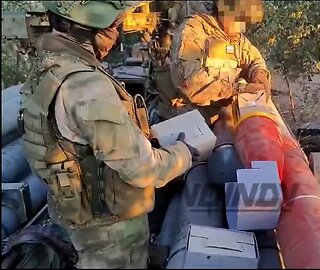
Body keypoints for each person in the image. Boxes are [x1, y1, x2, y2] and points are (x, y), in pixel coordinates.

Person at [18, 1, 198, 268]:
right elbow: (142, 169)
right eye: (112, 26)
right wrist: (184, 153)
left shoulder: (48, 68)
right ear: (78, 28)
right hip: (110, 233)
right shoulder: (85, 85)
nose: (116, 35)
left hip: (80, 217)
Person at [154, 0, 271, 126]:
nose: (241, 25)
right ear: (222, 11)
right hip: (183, 116)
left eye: (244, 21)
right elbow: (188, 81)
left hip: (217, 116)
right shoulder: (193, 31)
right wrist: (236, 87)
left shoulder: (235, 37)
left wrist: (258, 72)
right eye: (237, 19)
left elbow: (253, 59)